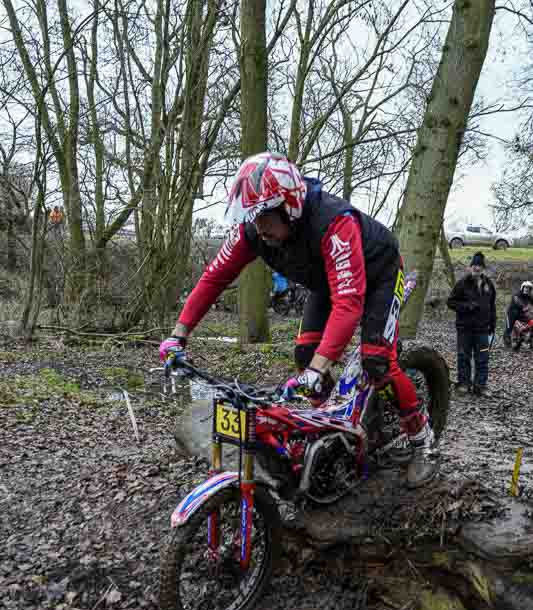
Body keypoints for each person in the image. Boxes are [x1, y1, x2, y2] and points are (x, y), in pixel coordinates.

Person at [160, 152, 438, 488]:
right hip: (327, 281)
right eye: (251, 216)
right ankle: (336, 436)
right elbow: (213, 278)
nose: (258, 226)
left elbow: (349, 304)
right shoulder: (253, 231)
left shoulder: (334, 223)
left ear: (289, 206)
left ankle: (422, 440)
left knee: (377, 361)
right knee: (305, 356)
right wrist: (178, 335)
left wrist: (317, 370)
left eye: (264, 216)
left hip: (379, 274)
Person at [447, 251, 496, 396]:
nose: (477, 268)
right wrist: (467, 306)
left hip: (482, 329)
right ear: (470, 267)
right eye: (474, 265)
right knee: (464, 356)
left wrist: (493, 323)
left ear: (483, 268)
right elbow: (450, 302)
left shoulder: (489, 284)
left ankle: (480, 386)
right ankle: (464, 384)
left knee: (483, 358)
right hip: (465, 329)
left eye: (480, 265)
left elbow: (492, 305)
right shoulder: (462, 284)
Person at [504, 281, 533, 349]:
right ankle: (507, 343)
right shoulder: (517, 295)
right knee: (508, 328)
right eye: (525, 287)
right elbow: (519, 303)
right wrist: (525, 308)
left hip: (521, 315)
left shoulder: (529, 297)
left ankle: (526, 339)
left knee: (531, 323)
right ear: (522, 288)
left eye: (528, 288)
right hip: (511, 314)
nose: (526, 289)